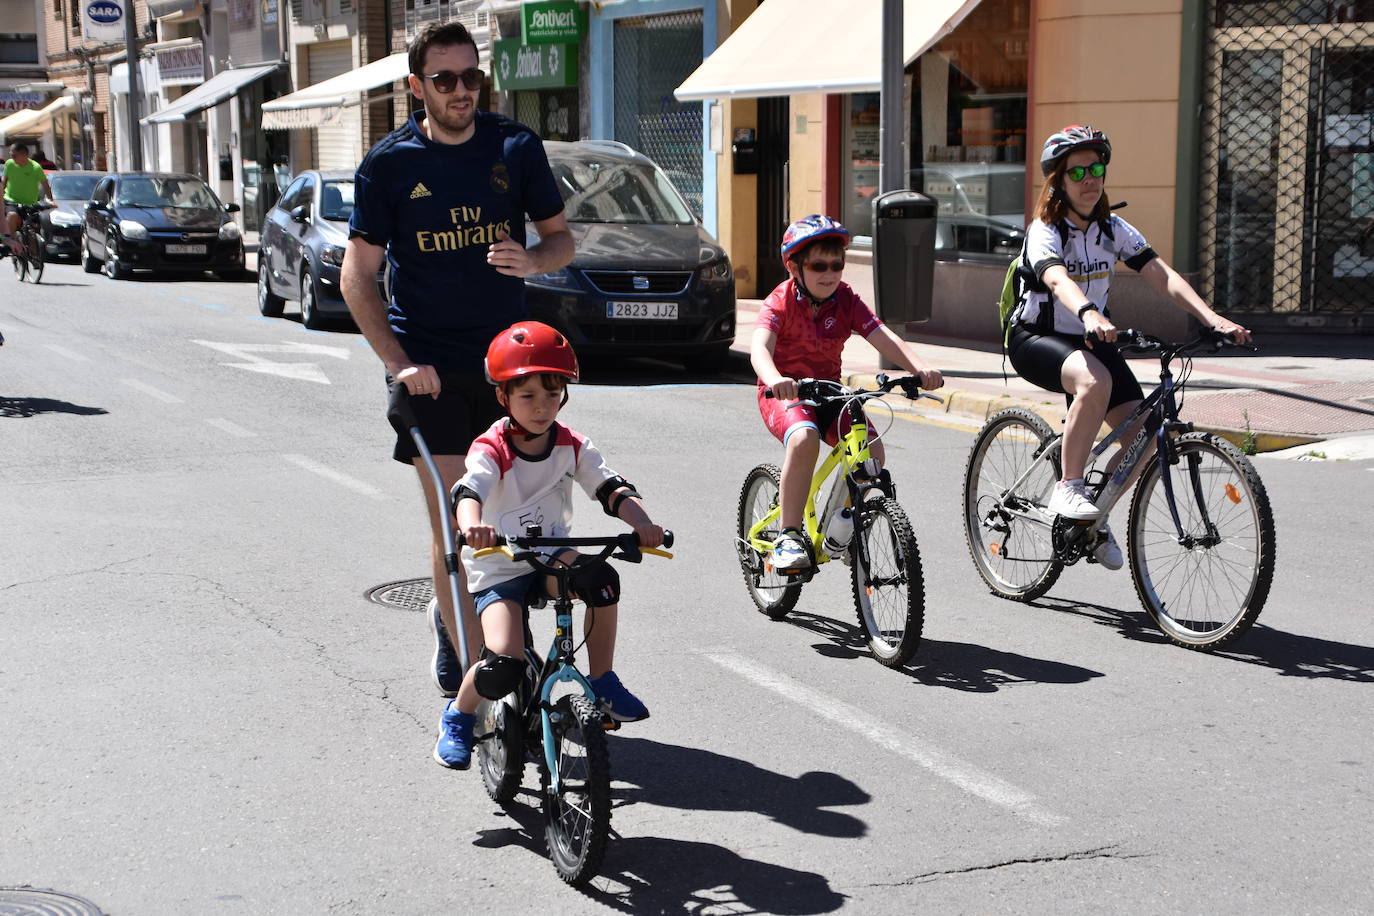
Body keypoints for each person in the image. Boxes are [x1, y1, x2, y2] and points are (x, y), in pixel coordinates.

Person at [341, 21, 574, 704]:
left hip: (510, 369)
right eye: (445, 80)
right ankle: (481, 670)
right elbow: (359, 277)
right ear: (417, 87)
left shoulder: (515, 147)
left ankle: (475, 628)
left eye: (471, 77)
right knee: (459, 521)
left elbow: (561, 240)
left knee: (515, 516)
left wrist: (533, 259)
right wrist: (399, 362)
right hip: (432, 369)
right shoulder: (389, 165)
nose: (461, 90)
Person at [1007, 125, 1252, 569]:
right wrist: (1089, 313)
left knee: (1145, 435)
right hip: (1037, 338)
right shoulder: (1045, 230)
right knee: (1093, 379)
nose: (1089, 179)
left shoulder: (1112, 228)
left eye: (1096, 168)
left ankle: (1093, 522)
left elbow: (1162, 275)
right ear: (1058, 181)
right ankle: (1069, 485)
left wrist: (1211, 319)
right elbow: (1056, 278)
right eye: (1076, 171)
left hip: (1091, 337)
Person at [435, 321, 665, 769]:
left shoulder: (571, 444)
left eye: (553, 393)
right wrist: (473, 526)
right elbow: (469, 492)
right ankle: (458, 718)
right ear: (503, 397)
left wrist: (643, 524)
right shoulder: (492, 448)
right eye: (528, 396)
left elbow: (610, 487)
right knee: (504, 662)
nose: (543, 407)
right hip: (499, 564)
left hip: (549, 556)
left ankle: (602, 681)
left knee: (600, 580)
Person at [750, 215, 944, 571]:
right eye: (818, 265)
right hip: (786, 394)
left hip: (831, 393)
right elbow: (759, 348)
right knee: (805, 438)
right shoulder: (780, 301)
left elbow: (884, 335)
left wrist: (919, 367)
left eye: (837, 265)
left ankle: (843, 519)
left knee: (873, 452)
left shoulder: (846, 299)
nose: (829, 273)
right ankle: (789, 534)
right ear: (795, 266)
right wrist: (775, 377)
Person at [0, 142, 52, 255]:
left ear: (24, 155)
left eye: (14, 155)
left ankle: (34, 252)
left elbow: (45, 185)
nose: (11, 158)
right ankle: (12, 244)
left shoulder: (35, 167)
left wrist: (50, 199)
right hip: (11, 200)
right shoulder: (9, 164)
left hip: (30, 203)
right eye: (10, 155)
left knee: (32, 226)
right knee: (11, 216)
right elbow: (3, 182)